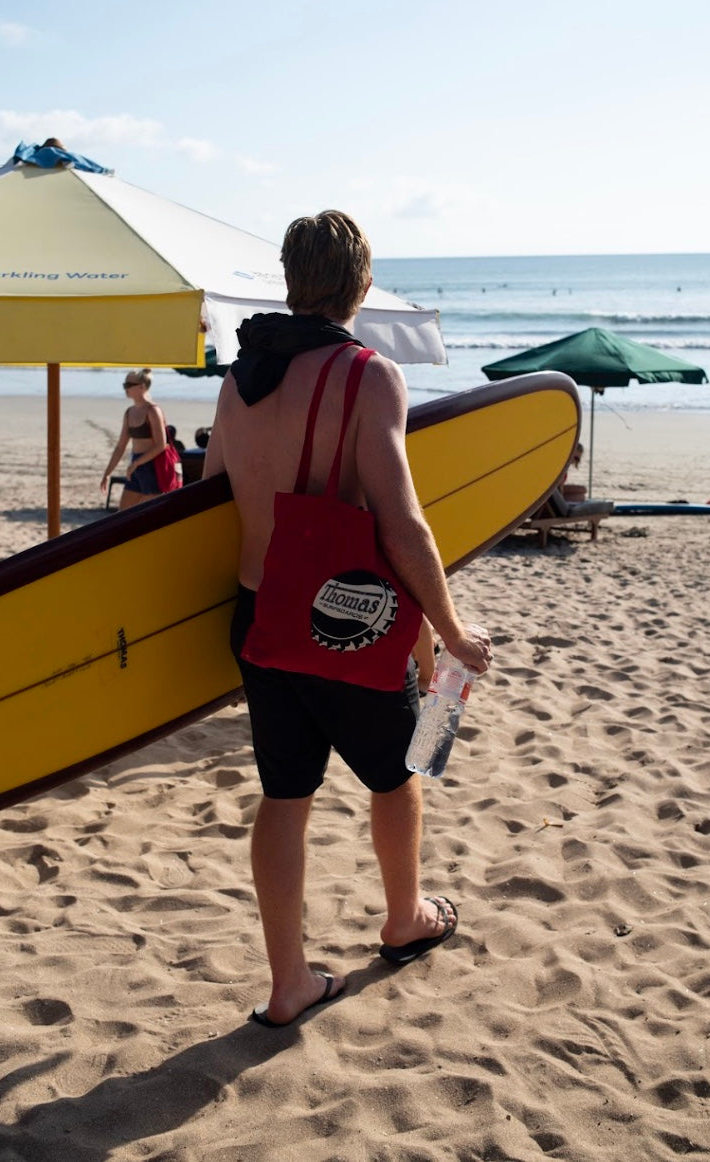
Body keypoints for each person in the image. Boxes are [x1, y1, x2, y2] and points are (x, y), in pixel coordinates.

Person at [202, 210, 492, 1027]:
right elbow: (402, 523)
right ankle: (405, 919)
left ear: (291, 280)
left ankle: (288, 982)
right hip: (340, 618)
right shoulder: (368, 374)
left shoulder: (241, 377)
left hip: (259, 615)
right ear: (361, 283)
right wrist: (452, 630)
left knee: (284, 795)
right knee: (396, 776)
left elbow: (207, 503)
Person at [100, 368, 169, 510]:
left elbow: (161, 445)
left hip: (152, 466)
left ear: (142, 387)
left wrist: (137, 463)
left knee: (148, 514)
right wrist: (107, 473)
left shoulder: (152, 410)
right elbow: (120, 447)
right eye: (124, 385)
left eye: (129, 385)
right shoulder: (129, 412)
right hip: (136, 466)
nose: (125, 388)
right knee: (123, 513)